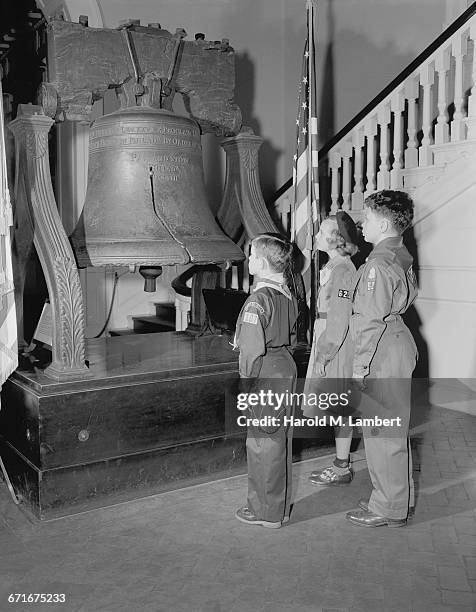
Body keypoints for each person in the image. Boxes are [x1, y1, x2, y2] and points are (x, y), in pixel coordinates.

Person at [345, 189, 418, 528]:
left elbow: (369, 321)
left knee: (381, 432)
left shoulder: (377, 264)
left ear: (385, 223)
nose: (362, 223)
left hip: (382, 350)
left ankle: (387, 507)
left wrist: (359, 368)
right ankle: (396, 500)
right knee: (392, 431)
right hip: (397, 343)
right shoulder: (399, 253)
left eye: (368, 218)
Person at [233, 233, 298, 529]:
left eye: (250, 255)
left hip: (264, 370)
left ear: (260, 262)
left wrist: (245, 384)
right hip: (285, 364)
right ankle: (279, 506)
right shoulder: (288, 295)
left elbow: (250, 349)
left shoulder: (257, 300)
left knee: (262, 443)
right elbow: (294, 335)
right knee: (278, 438)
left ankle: (264, 512)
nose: (248, 260)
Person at [303, 211, 359, 485]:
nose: (315, 236)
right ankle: (341, 463)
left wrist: (325, 355)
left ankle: (342, 467)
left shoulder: (343, 271)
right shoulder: (333, 267)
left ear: (336, 239)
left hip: (335, 342)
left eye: (320, 232)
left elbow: (338, 319)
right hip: (326, 336)